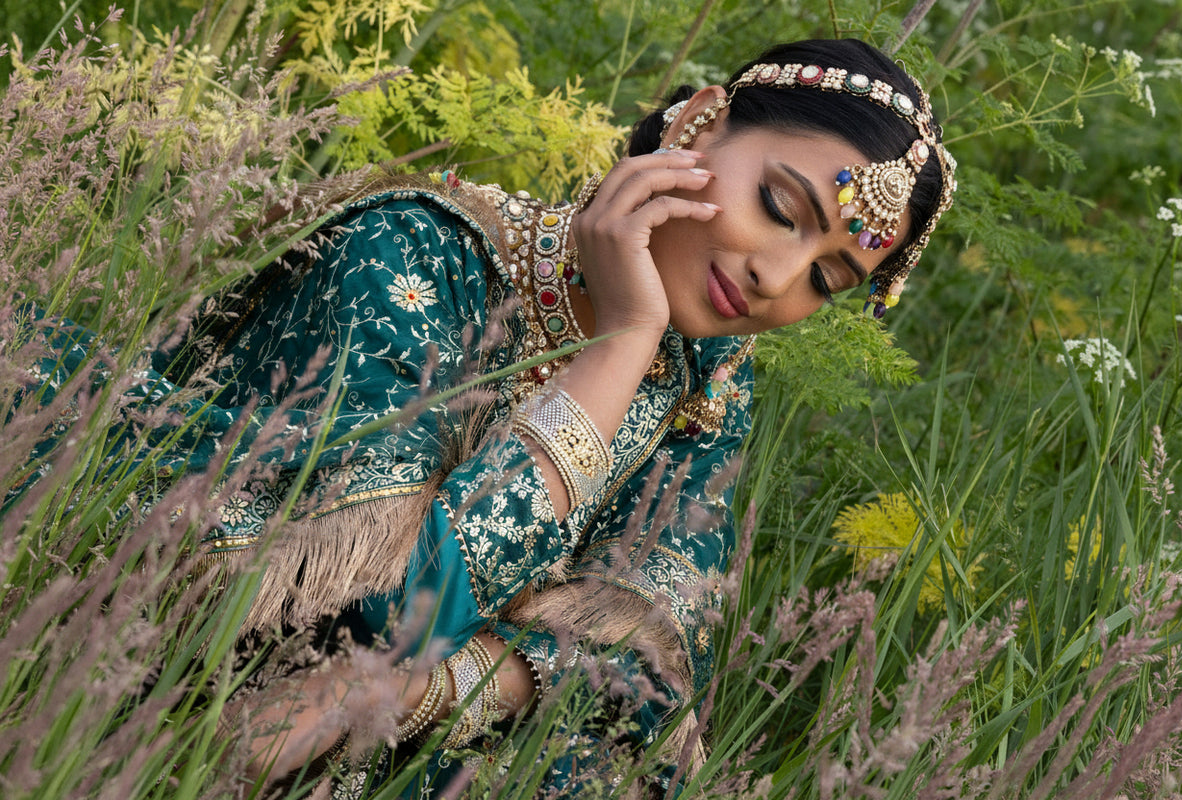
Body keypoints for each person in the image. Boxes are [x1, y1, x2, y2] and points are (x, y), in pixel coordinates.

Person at [13, 37, 956, 797]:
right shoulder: (419, 251)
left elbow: (653, 671)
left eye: (829, 281)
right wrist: (621, 341)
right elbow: (391, 605)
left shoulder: (706, 392)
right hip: (171, 628)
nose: (777, 279)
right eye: (779, 208)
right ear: (704, 122)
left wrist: (400, 692)